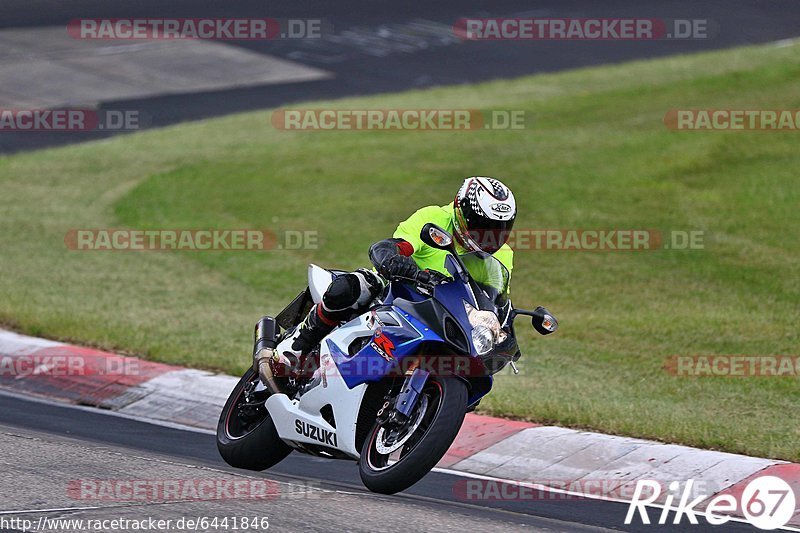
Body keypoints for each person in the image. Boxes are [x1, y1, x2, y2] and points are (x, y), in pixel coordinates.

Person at [274, 176, 516, 367]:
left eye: (499, 229)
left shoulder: (503, 255)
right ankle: (299, 344)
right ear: (461, 210)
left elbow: (493, 299)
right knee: (350, 287)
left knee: (480, 361)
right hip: (399, 289)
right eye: (482, 225)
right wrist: (397, 262)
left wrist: (504, 325)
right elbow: (392, 247)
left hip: (445, 313)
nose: (489, 235)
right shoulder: (434, 217)